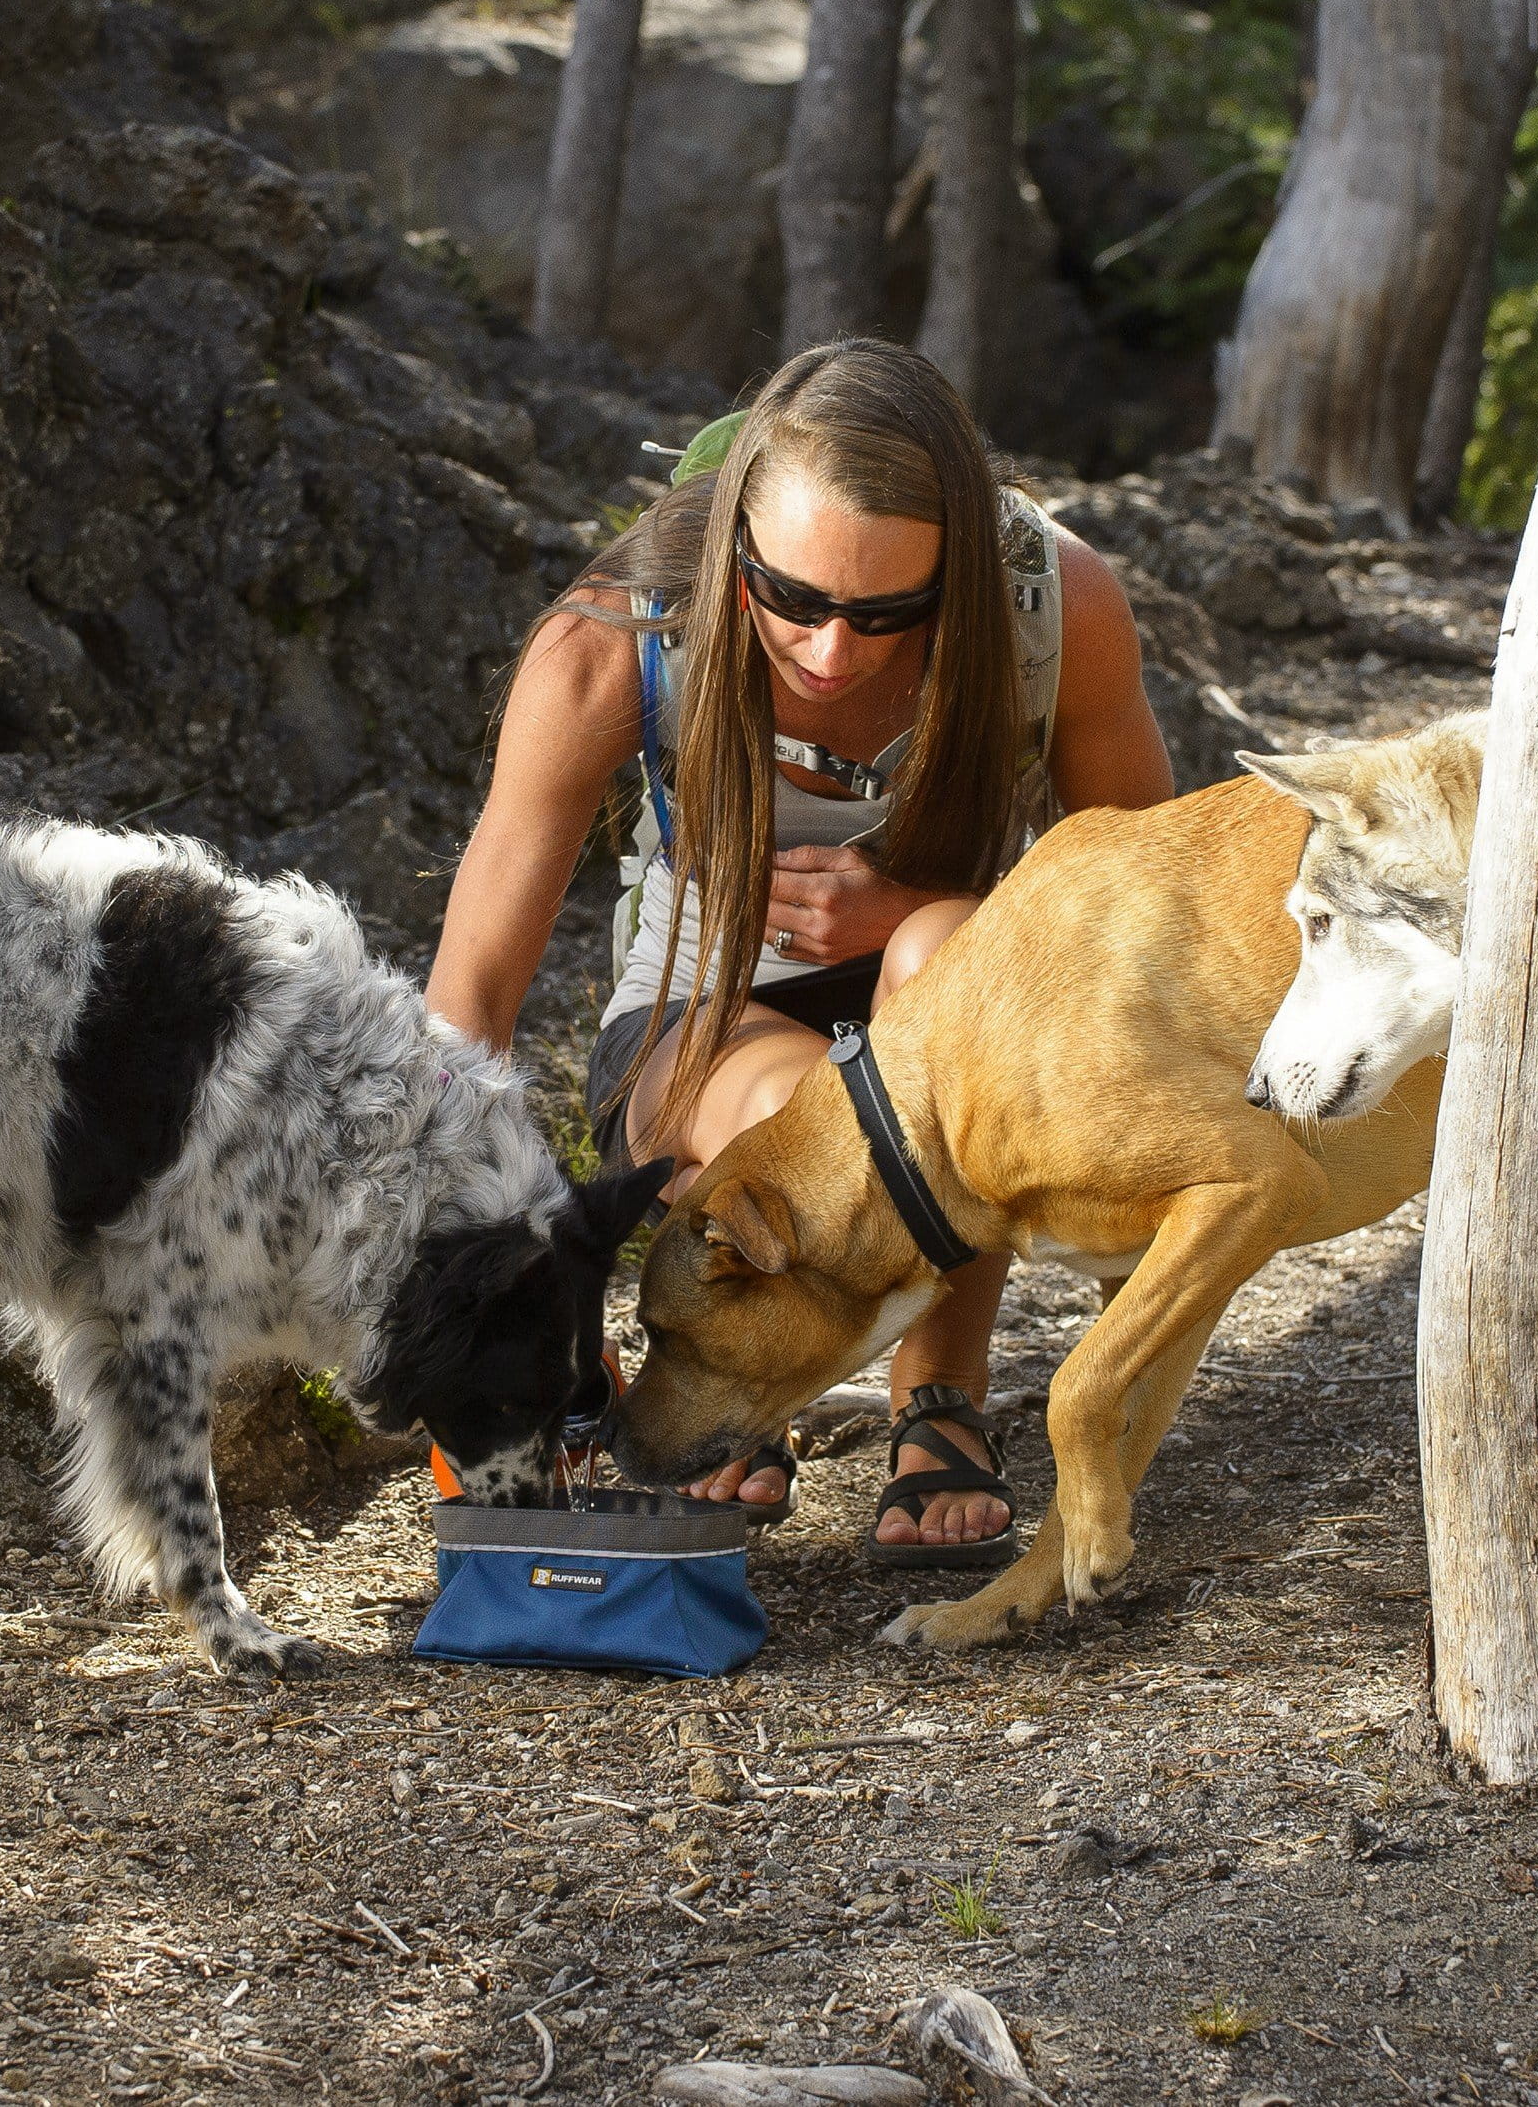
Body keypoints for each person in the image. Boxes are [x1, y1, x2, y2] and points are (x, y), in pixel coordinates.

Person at [424, 339, 1177, 1562]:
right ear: (734, 555)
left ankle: (939, 1398)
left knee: (943, 958)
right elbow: (471, 1004)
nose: (834, 653)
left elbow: (1151, 908)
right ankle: (741, 1379)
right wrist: (495, 1293)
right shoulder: (616, 642)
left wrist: (902, 912)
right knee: (800, 1109)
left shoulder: (1056, 607)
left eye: (891, 614)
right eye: (796, 603)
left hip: (951, 1009)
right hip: (704, 1024)